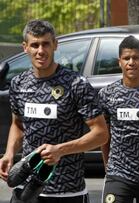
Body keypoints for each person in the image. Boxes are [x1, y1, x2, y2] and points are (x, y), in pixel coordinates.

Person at [0, 19, 109, 203]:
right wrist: (9, 154)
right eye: (35, 45)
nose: (40, 51)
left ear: (55, 45)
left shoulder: (76, 84)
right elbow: (18, 125)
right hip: (25, 188)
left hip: (67, 191)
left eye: (45, 44)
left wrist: (60, 150)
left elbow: (101, 134)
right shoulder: (19, 84)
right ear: (25, 47)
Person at [99, 35, 139, 203]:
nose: (131, 62)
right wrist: (108, 166)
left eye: (136, 58)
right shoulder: (107, 94)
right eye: (126, 58)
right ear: (119, 61)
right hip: (118, 174)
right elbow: (104, 135)